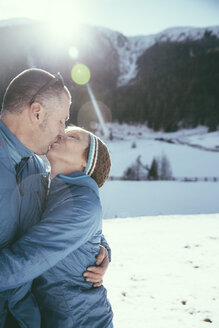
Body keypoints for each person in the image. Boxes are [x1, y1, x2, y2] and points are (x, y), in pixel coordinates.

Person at [0, 69, 110, 327]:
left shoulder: (35, 168)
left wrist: (101, 249)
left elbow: (67, 214)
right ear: (37, 113)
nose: (62, 131)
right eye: (62, 121)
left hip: (26, 316)